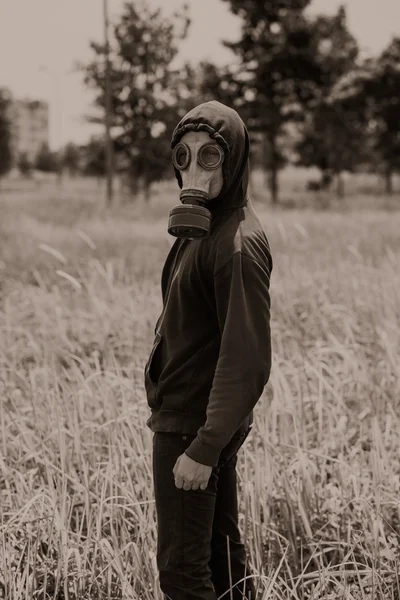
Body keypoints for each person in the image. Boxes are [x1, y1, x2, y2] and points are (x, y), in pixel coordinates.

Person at [144, 100, 273, 600]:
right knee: (221, 557)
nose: (195, 171)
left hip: (192, 426)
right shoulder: (206, 228)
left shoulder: (235, 244)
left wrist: (203, 445)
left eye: (210, 158)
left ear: (235, 158)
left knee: (183, 573)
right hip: (198, 420)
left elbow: (247, 358)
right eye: (184, 157)